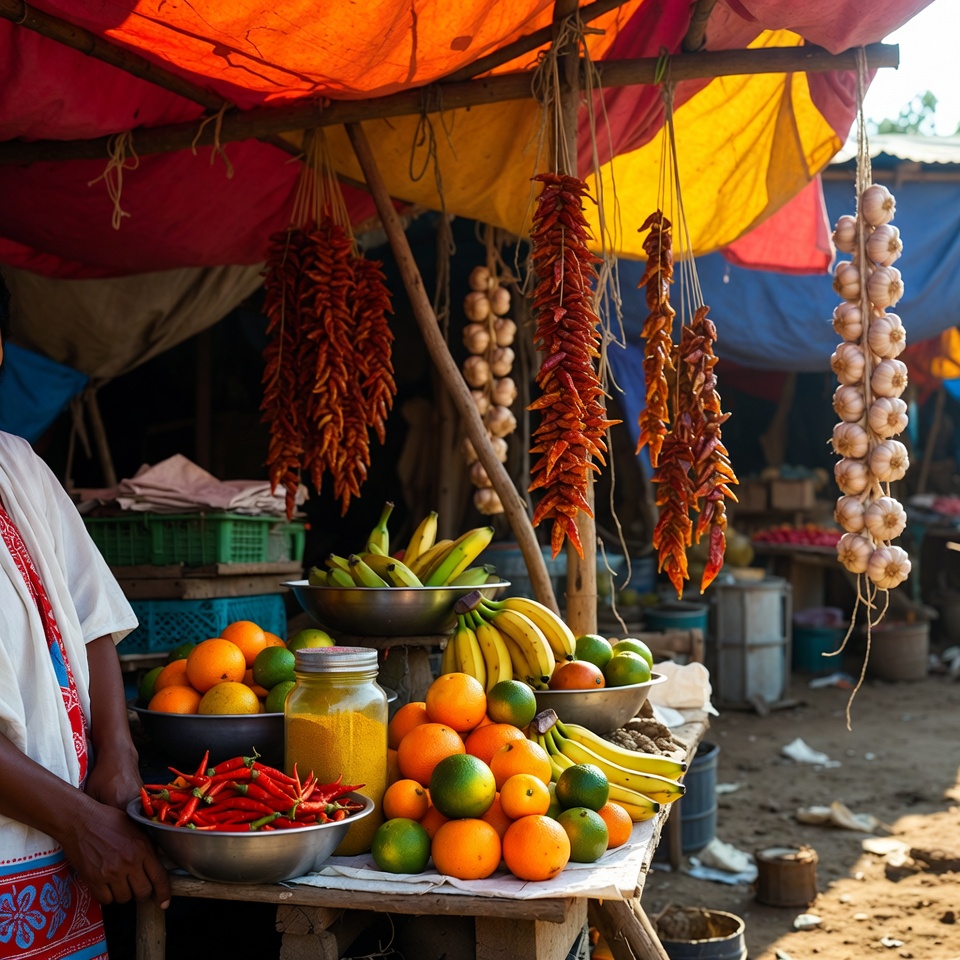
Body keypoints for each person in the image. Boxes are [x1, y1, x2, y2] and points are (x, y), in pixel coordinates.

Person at [0, 269, 169, 959]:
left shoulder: (18, 465)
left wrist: (119, 752)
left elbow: (93, 614)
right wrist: (79, 823)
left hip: (56, 864)